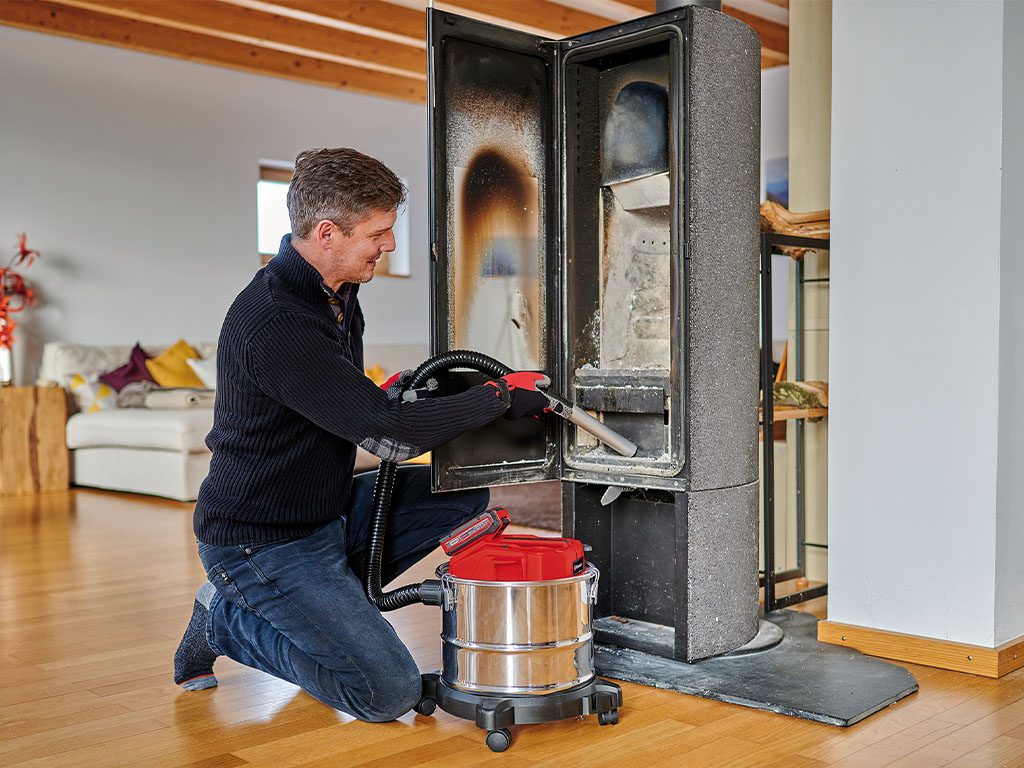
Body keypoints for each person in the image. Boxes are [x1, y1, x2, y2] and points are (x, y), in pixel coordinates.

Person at [172, 147, 550, 722]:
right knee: (387, 694)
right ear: (327, 232)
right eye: (379, 233)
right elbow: (391, 440)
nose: (390, 244)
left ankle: (333, 609)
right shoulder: (278, 321)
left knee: (462, 491)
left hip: (324, 512)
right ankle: (226, 620)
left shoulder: (337, 294)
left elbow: (348, 402)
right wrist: (496, 398)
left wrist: (399, 396)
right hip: (261, 541)